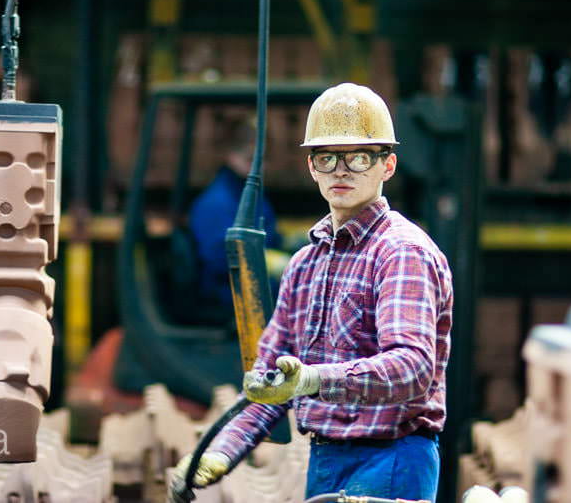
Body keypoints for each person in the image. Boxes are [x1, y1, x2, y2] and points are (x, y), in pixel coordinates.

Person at [173, 83, 453, 502]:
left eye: (358, 157)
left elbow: (412, 368)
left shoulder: (401, 253)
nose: (341, 171)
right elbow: (270, 383)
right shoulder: (305, 265)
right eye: (327, 158)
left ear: (388, 165)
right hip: (324, 458)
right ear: (312, 167)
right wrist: (217, 455)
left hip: (392, 458)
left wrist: (313, 379)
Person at [189, 116, 282, 317]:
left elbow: (272, 236)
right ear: (231, 155)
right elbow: (221, 259)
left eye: (265, 159)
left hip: (256, 290)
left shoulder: (252, 195)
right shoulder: (217, 203)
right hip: (229, 299)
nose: (261, 167)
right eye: (252, 159)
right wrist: (272, 261)